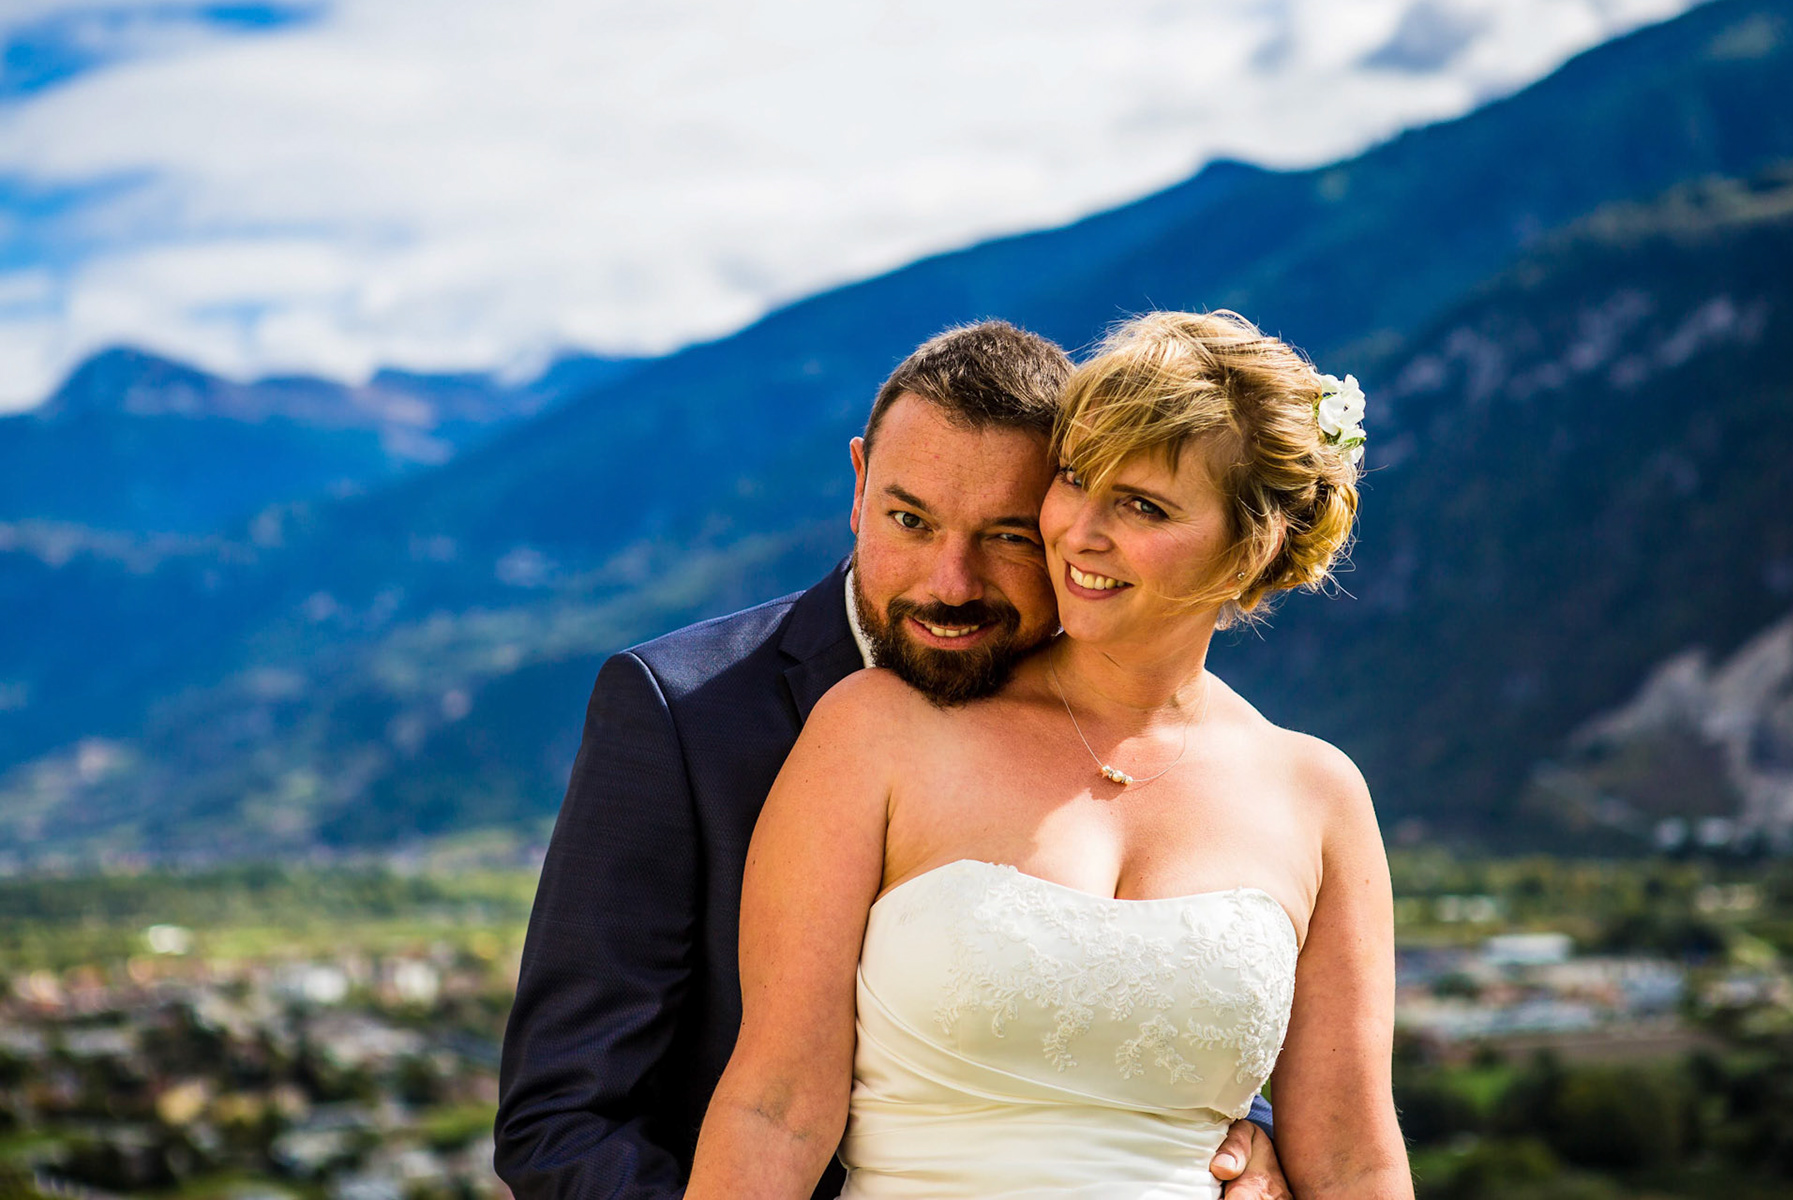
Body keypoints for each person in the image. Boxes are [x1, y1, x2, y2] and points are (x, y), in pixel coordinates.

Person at [493, 320, 1290, 1198]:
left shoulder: (1131, 724)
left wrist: (1243, 1130)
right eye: (910, 521)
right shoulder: (682, 712)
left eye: (1009, 536)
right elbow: (563, 1118)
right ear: (859, 483)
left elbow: (1124, 995)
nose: (950, 584)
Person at [683, 310, 1410, 1199]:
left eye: (1143, 506)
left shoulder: (1318, 797)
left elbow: (1352, 1160)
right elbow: (776, 1109)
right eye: (1076, 479)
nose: (1076, 531)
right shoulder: (879, 730)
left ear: (1250, 547)